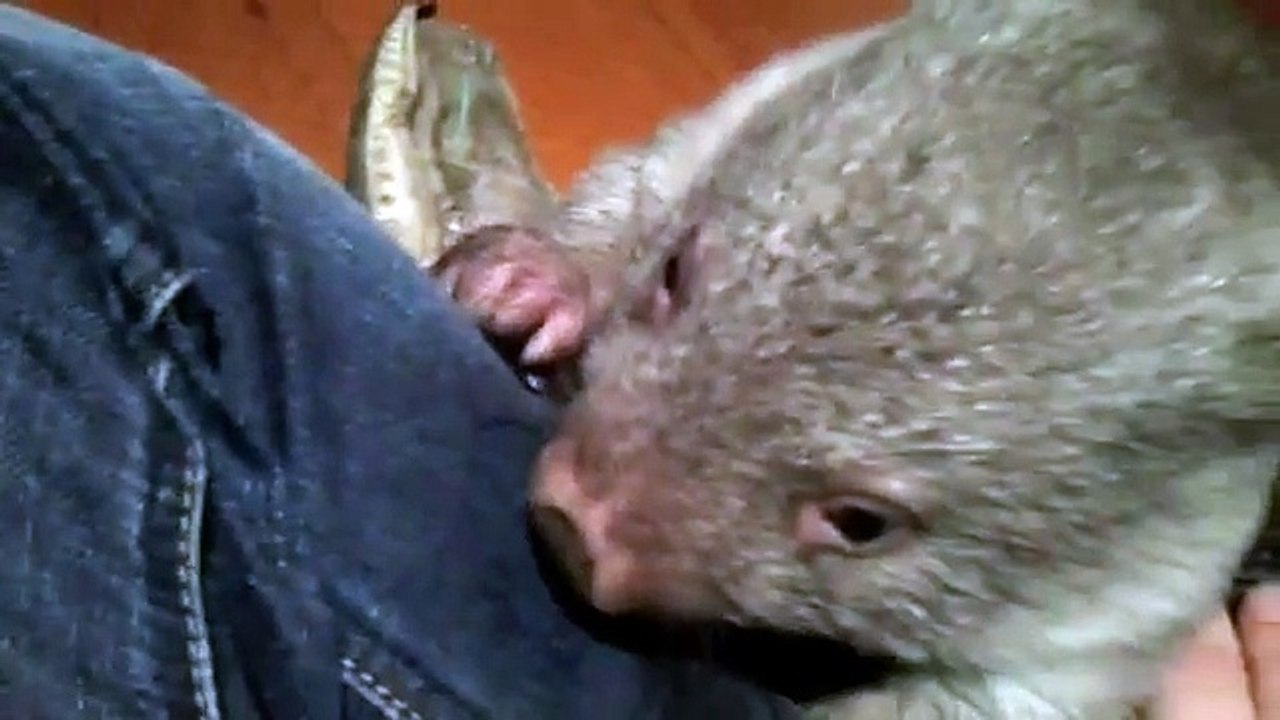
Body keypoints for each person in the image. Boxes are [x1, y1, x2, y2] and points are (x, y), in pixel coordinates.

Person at [0, 6, 1274, 719]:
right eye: (679, 287)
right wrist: (582, 261)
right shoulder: (928, 67)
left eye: (852, 519)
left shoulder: (1169, 500)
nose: (589, 522)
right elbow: (675, 183)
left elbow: (1032, 689)